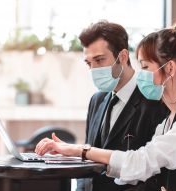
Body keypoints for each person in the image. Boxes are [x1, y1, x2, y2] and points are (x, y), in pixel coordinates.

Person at [35, 20, 176, 191]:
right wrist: (75, 157)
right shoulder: (168, 121)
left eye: (145, 67)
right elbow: (136, 169)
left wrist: (80, 150)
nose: (141, 74)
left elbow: (142, 161)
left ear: (169, 68)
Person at [62, 21, 169, 191]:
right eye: (89, 63)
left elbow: (158, 174)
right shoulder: (97, 101)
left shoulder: (154, 102)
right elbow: (88, 163)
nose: (93, 69)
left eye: (99, 60)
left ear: (123, 57)